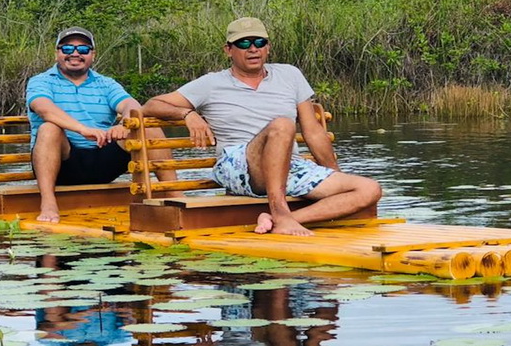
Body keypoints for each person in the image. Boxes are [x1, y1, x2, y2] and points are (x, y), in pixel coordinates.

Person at [144, 16, 381, 236]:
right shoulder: (211, 83)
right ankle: (280, 212)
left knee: (370, 189)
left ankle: (279, 219)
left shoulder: (290, 75)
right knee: (282, 125)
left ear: (267, 47)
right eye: (243, 43)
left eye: (259, 41)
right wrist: (188, 114)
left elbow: (313, 132)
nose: (253, 48)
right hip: (237, 162)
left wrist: (334, 178)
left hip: (288, 164)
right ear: (229, 50)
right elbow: (151, 105)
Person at [25, 27, 172, 223]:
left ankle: (174, 196)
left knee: (147, 126)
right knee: (49, 128)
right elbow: (44, 108)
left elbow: (131, 105)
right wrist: (82, 129)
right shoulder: (41, 81)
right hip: (63, 163)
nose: (75, 54)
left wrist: (126, 124)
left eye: (83, 49)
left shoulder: (106, 83)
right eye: (67, 49)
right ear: (57, 53)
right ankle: (49, 203)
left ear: (92, 54)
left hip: (102, 157)